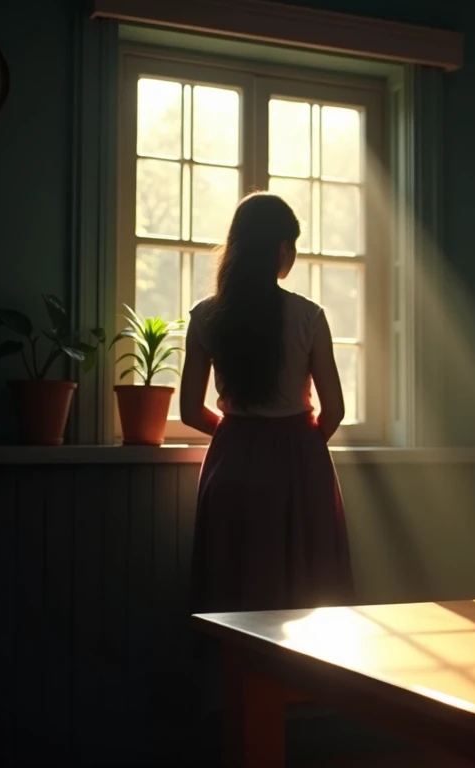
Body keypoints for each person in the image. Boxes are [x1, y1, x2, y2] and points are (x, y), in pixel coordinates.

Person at [181, 192, 353, 614]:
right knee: (305, 592)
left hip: (233, 459)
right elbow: (335, 410)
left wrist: (235, 433)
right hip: (298, 463)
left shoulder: (205, 316)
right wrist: (303, 441)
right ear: (281, 247)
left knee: (233, 592)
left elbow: (188, 411)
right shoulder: (309, 317)